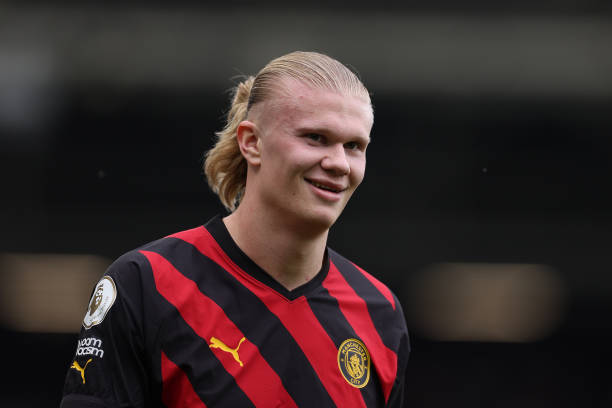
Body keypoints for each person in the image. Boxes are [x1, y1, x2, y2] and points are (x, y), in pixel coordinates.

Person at [61, 51, 410, 407]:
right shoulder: (148, 284)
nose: (338, 163)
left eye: (354, 146)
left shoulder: (379, 312)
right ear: (251, 142)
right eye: (315, 138)